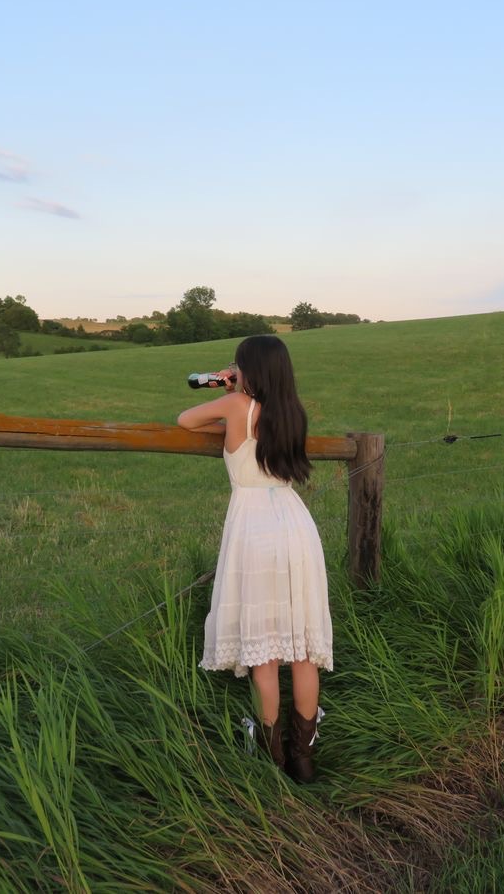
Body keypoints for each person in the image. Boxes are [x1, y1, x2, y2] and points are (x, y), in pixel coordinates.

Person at [177, 335, 332, 783]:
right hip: (295, 523)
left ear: (248, 370)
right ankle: (303, 758)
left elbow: (185, 419)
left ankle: (271, 757)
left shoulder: (235, 406)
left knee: (264, 655)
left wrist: (227, 388)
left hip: (253, 527)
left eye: (239, 367)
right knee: (302, 649)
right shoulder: (291, 411)